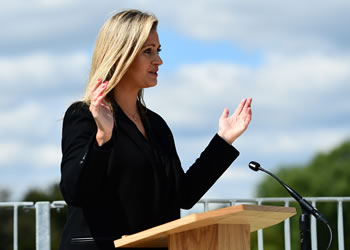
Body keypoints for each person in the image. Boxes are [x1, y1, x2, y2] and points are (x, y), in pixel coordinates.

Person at [59, 9, 252, 250]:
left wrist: (223, 141)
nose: (158, 60)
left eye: (158, 51)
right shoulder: (83, 116)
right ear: (121, 55)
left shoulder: (156, 125)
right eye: (148, 51)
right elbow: (76, 192)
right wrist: (103, 138)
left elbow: (184, 194)